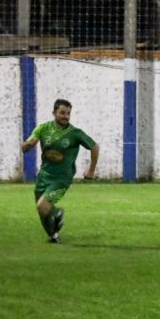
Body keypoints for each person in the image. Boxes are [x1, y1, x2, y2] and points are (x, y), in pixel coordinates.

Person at [20, 99, 99, 243]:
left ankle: (57, 212)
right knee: (41, 210)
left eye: (68, 113)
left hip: (62, 179)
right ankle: (53, 236)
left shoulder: (75, 133)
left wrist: (91, 170)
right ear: (54, 113)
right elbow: (30, 142)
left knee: (42, 206)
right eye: (62, 113)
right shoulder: (43, 128)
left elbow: (94, 146)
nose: (66, 116)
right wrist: (26, 146)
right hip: (43, 176)